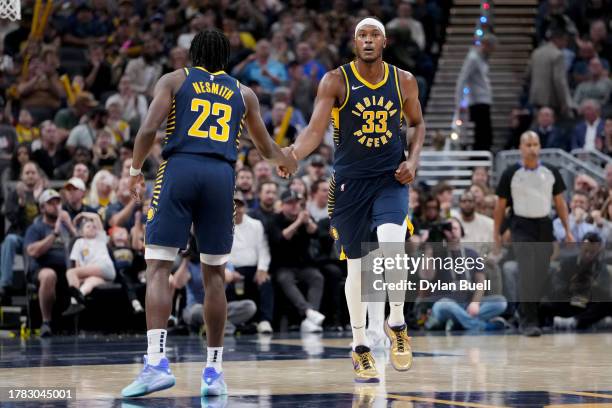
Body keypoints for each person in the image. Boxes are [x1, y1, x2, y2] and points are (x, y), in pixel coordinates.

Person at [122, 29, 296, 398]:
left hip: (180, 169)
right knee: (215, 274)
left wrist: (136, 170)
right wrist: (286, 160)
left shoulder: (174, 79)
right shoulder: (242, 92)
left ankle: (156, 363)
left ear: (193, 54)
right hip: (221, 177)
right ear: (225, 58)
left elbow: (149, 128)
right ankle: (213, 371)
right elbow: (265, 147)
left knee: (158, 267)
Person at [286, 18, 426, 383]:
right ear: (354, 42)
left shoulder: (404, 80)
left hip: (390, 180)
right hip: (350, 185)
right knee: (359, 270)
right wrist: (293, 154)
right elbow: (315, 131)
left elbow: (417, 125)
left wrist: (412, 161)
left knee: (394, 245)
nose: (367, 40)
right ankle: (360, 345)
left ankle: (397, 323)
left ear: (384, 41)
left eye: (373, 35)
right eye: (361, 35)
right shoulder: (335, 80)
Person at [494, 131, 573, 337]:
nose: (533, 149)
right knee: (527, 271)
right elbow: (500, 207)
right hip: (521, 225)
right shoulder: (511, 173)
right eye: (528, 144)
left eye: (536, 144)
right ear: (521, 148)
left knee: (541, 272)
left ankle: (529, 313)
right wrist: (496, 234)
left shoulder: (551, 172)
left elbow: (560, 203)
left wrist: (568, 230)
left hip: (544, 225)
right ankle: (529, 321)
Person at [62, 212, 116, 316]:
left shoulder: (101, 238)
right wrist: (80, 280)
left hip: (105, 267)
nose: (92, 227)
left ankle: (73, 301)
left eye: (94, 226)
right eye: (88, 226)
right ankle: (79, 298)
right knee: (89, 283)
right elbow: (78, 266)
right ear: (81, 231)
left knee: (70, 273)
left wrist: (81, 215)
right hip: (97, 274)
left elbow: (95, 217)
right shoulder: (79, 242)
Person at [454, 34, 496, 150]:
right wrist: (459, 102)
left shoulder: (481, 59)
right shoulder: (473, 58)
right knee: (482, 135)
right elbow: (462, 79)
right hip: (478, 101)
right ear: (486, 45)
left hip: (484, 100)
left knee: (485, 135)